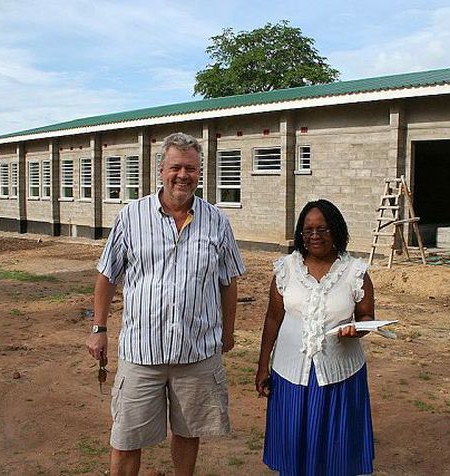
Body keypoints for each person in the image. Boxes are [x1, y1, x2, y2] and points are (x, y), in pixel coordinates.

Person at [87, 132, 245, 476]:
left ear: (200, 173)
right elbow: (107, 276)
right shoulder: (131, 217)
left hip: (196, 353)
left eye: (191, 168)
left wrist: (227, 333)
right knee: (126, 436)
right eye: (176, 167)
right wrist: (99, 329)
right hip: (142, 353)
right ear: (161, 170)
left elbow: (228, 281)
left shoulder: (217, 221)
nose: (183, 175)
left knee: (188, 432)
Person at [255, 199, 375, 475]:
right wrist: (263, 366)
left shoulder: (355, 272)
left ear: (336, 230)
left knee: (336, 449)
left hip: (340, 375)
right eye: (308, 230)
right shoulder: (286, 269)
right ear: (300, 234)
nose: (315, 236)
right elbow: (273, 318)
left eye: (323, 229)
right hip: (291, 375)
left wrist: (359, 329)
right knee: (292, 444)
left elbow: (367, 316)